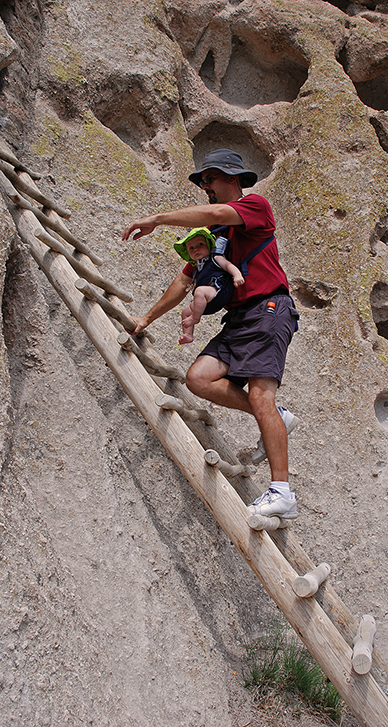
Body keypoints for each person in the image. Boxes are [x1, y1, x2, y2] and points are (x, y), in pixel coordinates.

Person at [121, 149, 300, 519]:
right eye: (202, 181)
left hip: (268, 309)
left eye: (210, 178)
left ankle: (282, 493)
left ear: (233, 178)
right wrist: (146, 318)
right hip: (239, 318)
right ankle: (277, 417)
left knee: (260, 395)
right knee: (199, 378)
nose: (205, 185)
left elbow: (218, 212)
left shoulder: (255, 206)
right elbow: (184, 280)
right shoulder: (210, 236)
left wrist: (157, 219)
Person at [173, 226, 244, 344]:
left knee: (199, 291)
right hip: (206, 301)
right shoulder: (198, 267)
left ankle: (195, 318)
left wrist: (237, 275)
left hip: (218, 292)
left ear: (209, 244)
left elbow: (228, 265)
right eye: (191, 248)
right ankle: (188, 335)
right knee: (185, 312)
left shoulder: (216, 257)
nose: (196, 249)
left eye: (200, 244)